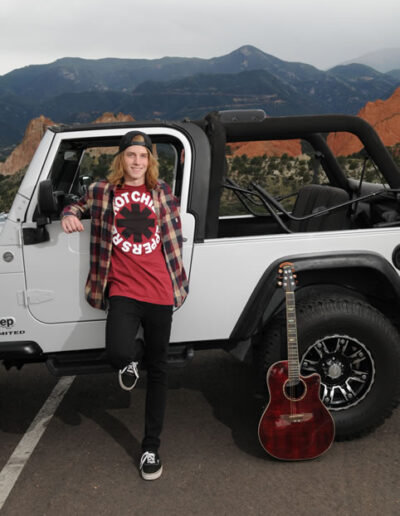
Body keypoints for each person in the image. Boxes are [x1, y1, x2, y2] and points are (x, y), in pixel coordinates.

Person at [61, 130, 189, 481]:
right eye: (131, 155)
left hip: (160, 289)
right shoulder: (103, 191)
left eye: (143, 156)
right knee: (117, 350)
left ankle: (151, 447)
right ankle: (129, 362)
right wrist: (69, 214)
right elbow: (76, 204)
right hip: (123, 288)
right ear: (122, 159)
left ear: (149, 161)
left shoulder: (162, 193)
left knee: (159, 369)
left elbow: (176, 231)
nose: (137, 162)